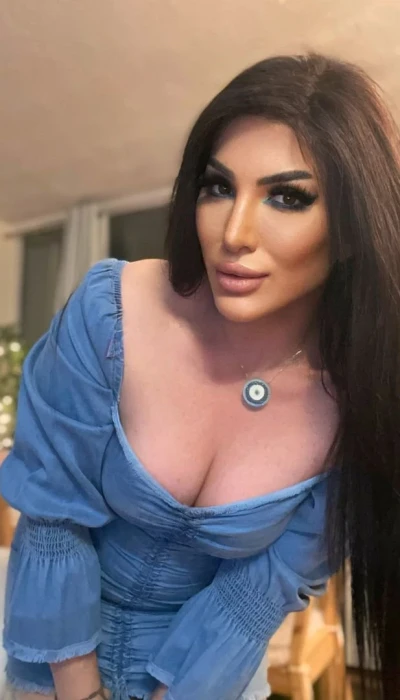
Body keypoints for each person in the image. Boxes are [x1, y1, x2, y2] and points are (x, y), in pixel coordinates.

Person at [1, 51, 399, 700]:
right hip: (58, 659)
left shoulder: (361, 401)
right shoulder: (111, 315)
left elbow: (255, 594)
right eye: (218, 187)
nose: (234, 233)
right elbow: (53, 516)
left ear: (352, 229)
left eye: (287, 197)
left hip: (211, 677)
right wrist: (83, 693)